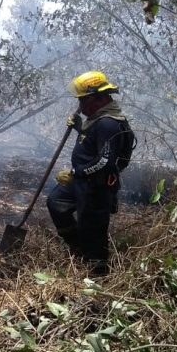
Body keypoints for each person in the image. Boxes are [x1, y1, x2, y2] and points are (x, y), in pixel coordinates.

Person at [46, 71, 132, 277]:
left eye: (84, 101)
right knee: (56, 202)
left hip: (97, 186)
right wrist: (79, 128)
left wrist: (75, 172)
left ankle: (98, 274)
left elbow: (104, 162)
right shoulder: (97, 119)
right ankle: (78, 250)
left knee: (92, 228)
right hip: (82, 181)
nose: (82, 106)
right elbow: (94, 143)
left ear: (100, 99)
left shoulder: (108, 123)